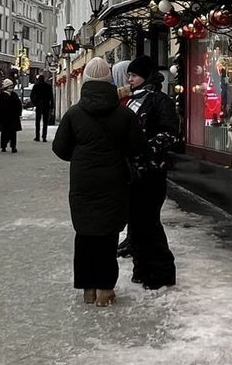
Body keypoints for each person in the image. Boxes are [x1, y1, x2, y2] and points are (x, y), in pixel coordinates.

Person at [52, 58, 147, 307]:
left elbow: (59, 148)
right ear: (109, 81)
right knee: (107, 235)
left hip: (83, 182)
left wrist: (82, 156)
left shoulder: (73, 113)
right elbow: (137, 147)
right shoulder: (124, 114)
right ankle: (105, 289)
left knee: (84, 234)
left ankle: (88, 289)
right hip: (114, 180)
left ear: (85, 82)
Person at [122, 56, 179, 290]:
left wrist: (145, 147)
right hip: (132, 172)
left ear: (145, 77)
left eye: (134, 75)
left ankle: (162, 271)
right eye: (129, 75)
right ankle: (142, 268)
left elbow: (171, 134)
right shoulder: (130, 101)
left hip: (152, 172)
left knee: (149, 223)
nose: (130, 79)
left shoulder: (159, 101)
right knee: (136, 222)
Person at [0, 79, 22, 153]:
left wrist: (18, 113)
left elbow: (18, 105)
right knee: (4, 132)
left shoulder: (14, 95)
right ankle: (3, 146)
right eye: (9, 86)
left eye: (12, 86)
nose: (11, 87)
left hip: (13, 117)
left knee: (13, 133)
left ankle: (13, 146)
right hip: (4, 117)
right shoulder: (1, 95)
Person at [30, 74, 54, 142]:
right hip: (46, 105)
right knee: (45, 122)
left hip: (39, 105)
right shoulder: (48, 86)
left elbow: (32, 96)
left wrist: (35, 103)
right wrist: (52, 106)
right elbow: (51, 97)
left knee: (37, 121)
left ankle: (37, 136)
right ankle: (44, 137)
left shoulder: (36, 86)